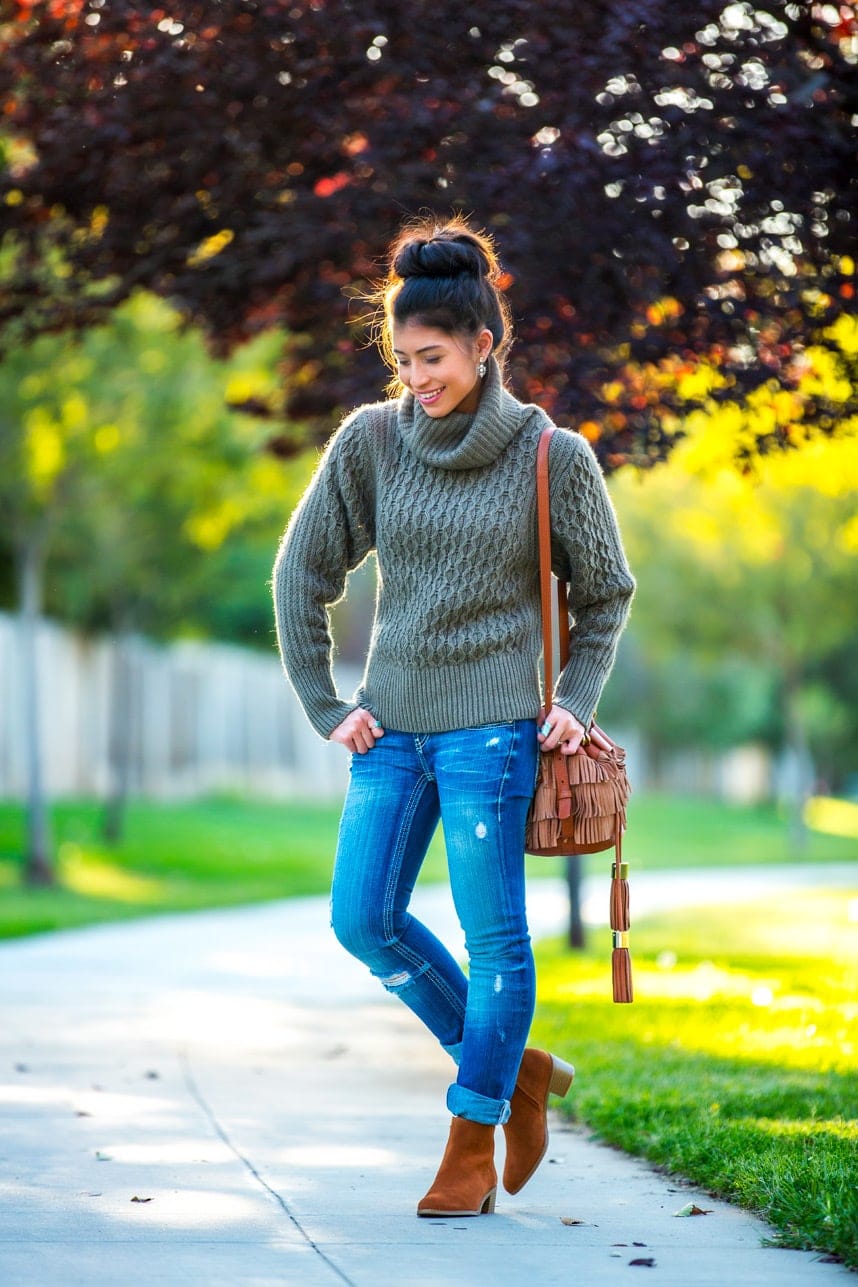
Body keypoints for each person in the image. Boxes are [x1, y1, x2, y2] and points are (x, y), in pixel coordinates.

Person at [272, 214, 635, 1218]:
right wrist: (323, 702)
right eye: (403, 359)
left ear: (486, 344)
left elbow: (606, 593)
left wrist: (573, 703)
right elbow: (302, 572)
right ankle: (515, 1071)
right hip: (390, 731)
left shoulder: (552, 457)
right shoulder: (372, 442)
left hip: (493, 737)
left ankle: (472, 1137)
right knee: (363, 919)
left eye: (432, 357)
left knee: (497, 944)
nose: (415, 377)